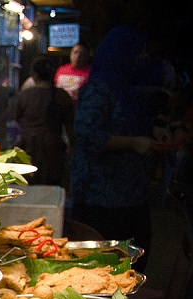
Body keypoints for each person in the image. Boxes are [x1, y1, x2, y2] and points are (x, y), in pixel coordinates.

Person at [69, 25, 160, 272]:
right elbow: (88, 136)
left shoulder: (129, 89)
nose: (144, 58)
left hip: (131, 196)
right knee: (106, 269)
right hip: (102, 198)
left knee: (133, 266)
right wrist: (134, 142)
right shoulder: (98, 88)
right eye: (138, 51)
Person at [11, 55, 75, 187]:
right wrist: (72, 149)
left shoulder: (24, 96)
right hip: (54, 150)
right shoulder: (62, 96)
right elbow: (70, 128)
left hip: (27, 149)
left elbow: (13, 121)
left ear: (33, 75)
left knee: (26, 188)